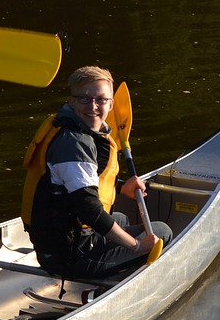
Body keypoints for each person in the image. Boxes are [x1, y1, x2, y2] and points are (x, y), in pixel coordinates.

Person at [21, 65, 172, 279]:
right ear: (71, 101)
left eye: (100, 99)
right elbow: (89, 209)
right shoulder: (74, 145)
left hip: (57, 246)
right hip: (70, 257)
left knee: (119, 218)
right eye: (84, 98)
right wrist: (137, 246)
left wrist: (121, 186)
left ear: (111, 104)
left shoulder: (71, 129)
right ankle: (117, 279)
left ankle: (117, 268)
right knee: (162, 232)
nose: (93, 106)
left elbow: (76, 181)